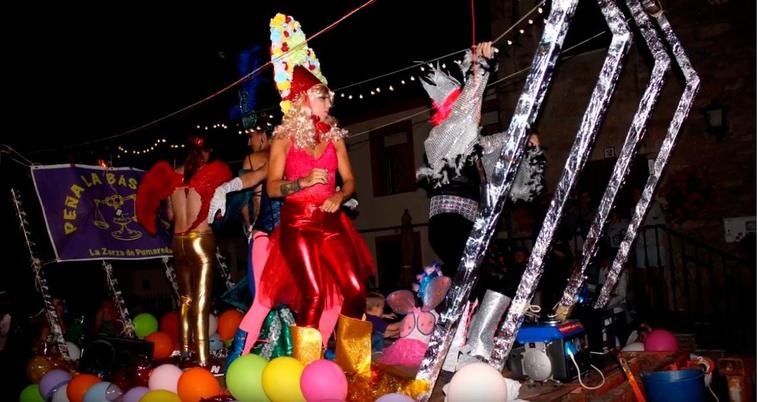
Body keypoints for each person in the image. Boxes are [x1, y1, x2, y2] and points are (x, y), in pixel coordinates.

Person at [254, 64, 375, 373]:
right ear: (305, 99)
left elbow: (349, 181)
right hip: (298, 223)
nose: (329, 104)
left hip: (332, 222)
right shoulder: (282, 139)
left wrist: (338, 195)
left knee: (356, 289)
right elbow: (271, 187)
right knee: (314, 294)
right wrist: (302, 182)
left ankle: (353, 368)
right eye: (323, 97)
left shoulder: (334, 136)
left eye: (328, 98)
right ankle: (305, 369)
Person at [417, 42, 545, 279]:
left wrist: (526, 137)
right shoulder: (439, 140)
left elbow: (503, 140)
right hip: (448, 225)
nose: (475, 114)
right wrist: (480, 68)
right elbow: (464, 114)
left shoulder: (477, 145)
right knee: (475, 279)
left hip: (469, 225)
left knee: (494, 278)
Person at [136, 134, 232, 367]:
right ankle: (202, 357)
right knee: (201, 301)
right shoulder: (211, 173)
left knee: (185, 300)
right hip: (200, 238)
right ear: (206, 152)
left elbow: (169, 215)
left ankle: (186, 351)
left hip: (178, 241)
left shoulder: (171, 176)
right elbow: (216, 209)